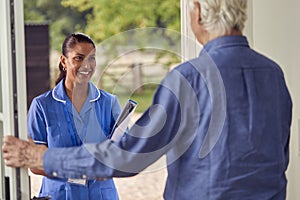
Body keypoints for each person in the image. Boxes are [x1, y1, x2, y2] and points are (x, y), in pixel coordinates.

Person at [3, 0, 292, 199]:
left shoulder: (188, 79)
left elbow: (128, 155)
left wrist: (38, 155)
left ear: (200, 14)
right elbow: (279, 156)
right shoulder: (273, 74)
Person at [25, 33, 121, 199]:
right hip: (61, 195)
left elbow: (123, 151)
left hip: (101, 195)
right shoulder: (42, 105)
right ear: (64, 61)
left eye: (92, 58)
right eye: (78, 58)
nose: (87, 65)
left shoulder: (109, 103)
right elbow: (35, 162)